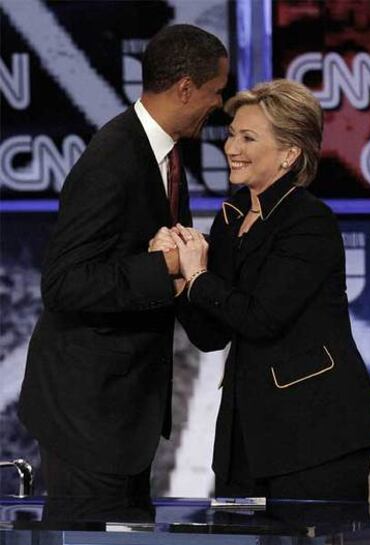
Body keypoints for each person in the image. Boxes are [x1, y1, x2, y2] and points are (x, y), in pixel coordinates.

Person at [18, 24, 228, 517]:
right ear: (185, 89)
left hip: (123, 412)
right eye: (215, 93)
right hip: (87, 412)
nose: (217, 105)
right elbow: (65, 284)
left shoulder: (163, 157)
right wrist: (167, 264)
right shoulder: (112, 159)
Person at [171, 79, 370, 501]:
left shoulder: (308, 222)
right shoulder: (232, 217)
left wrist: (200, 277)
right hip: (247, 440)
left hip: (316, 437)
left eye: (248, 138)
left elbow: (261, 318)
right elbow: (212, 334)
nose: (232, 147)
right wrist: (183, 282)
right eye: (232, 134)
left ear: (289, 154)